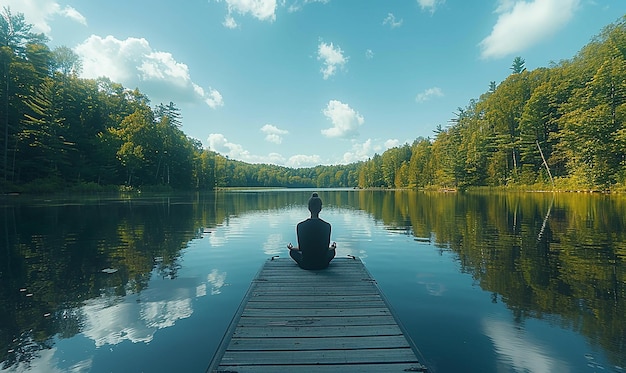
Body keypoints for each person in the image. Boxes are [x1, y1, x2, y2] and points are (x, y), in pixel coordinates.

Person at [287, 192, 336, 270]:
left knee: (292, 253)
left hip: (306, 264)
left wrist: (292, 249)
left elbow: (301, 248)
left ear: (309, 208)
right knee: (332, 252)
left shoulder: (300, 226)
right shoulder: (327, 226)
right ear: (320, 208)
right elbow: (325, 249)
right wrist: (332, 248)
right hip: (322, 264)